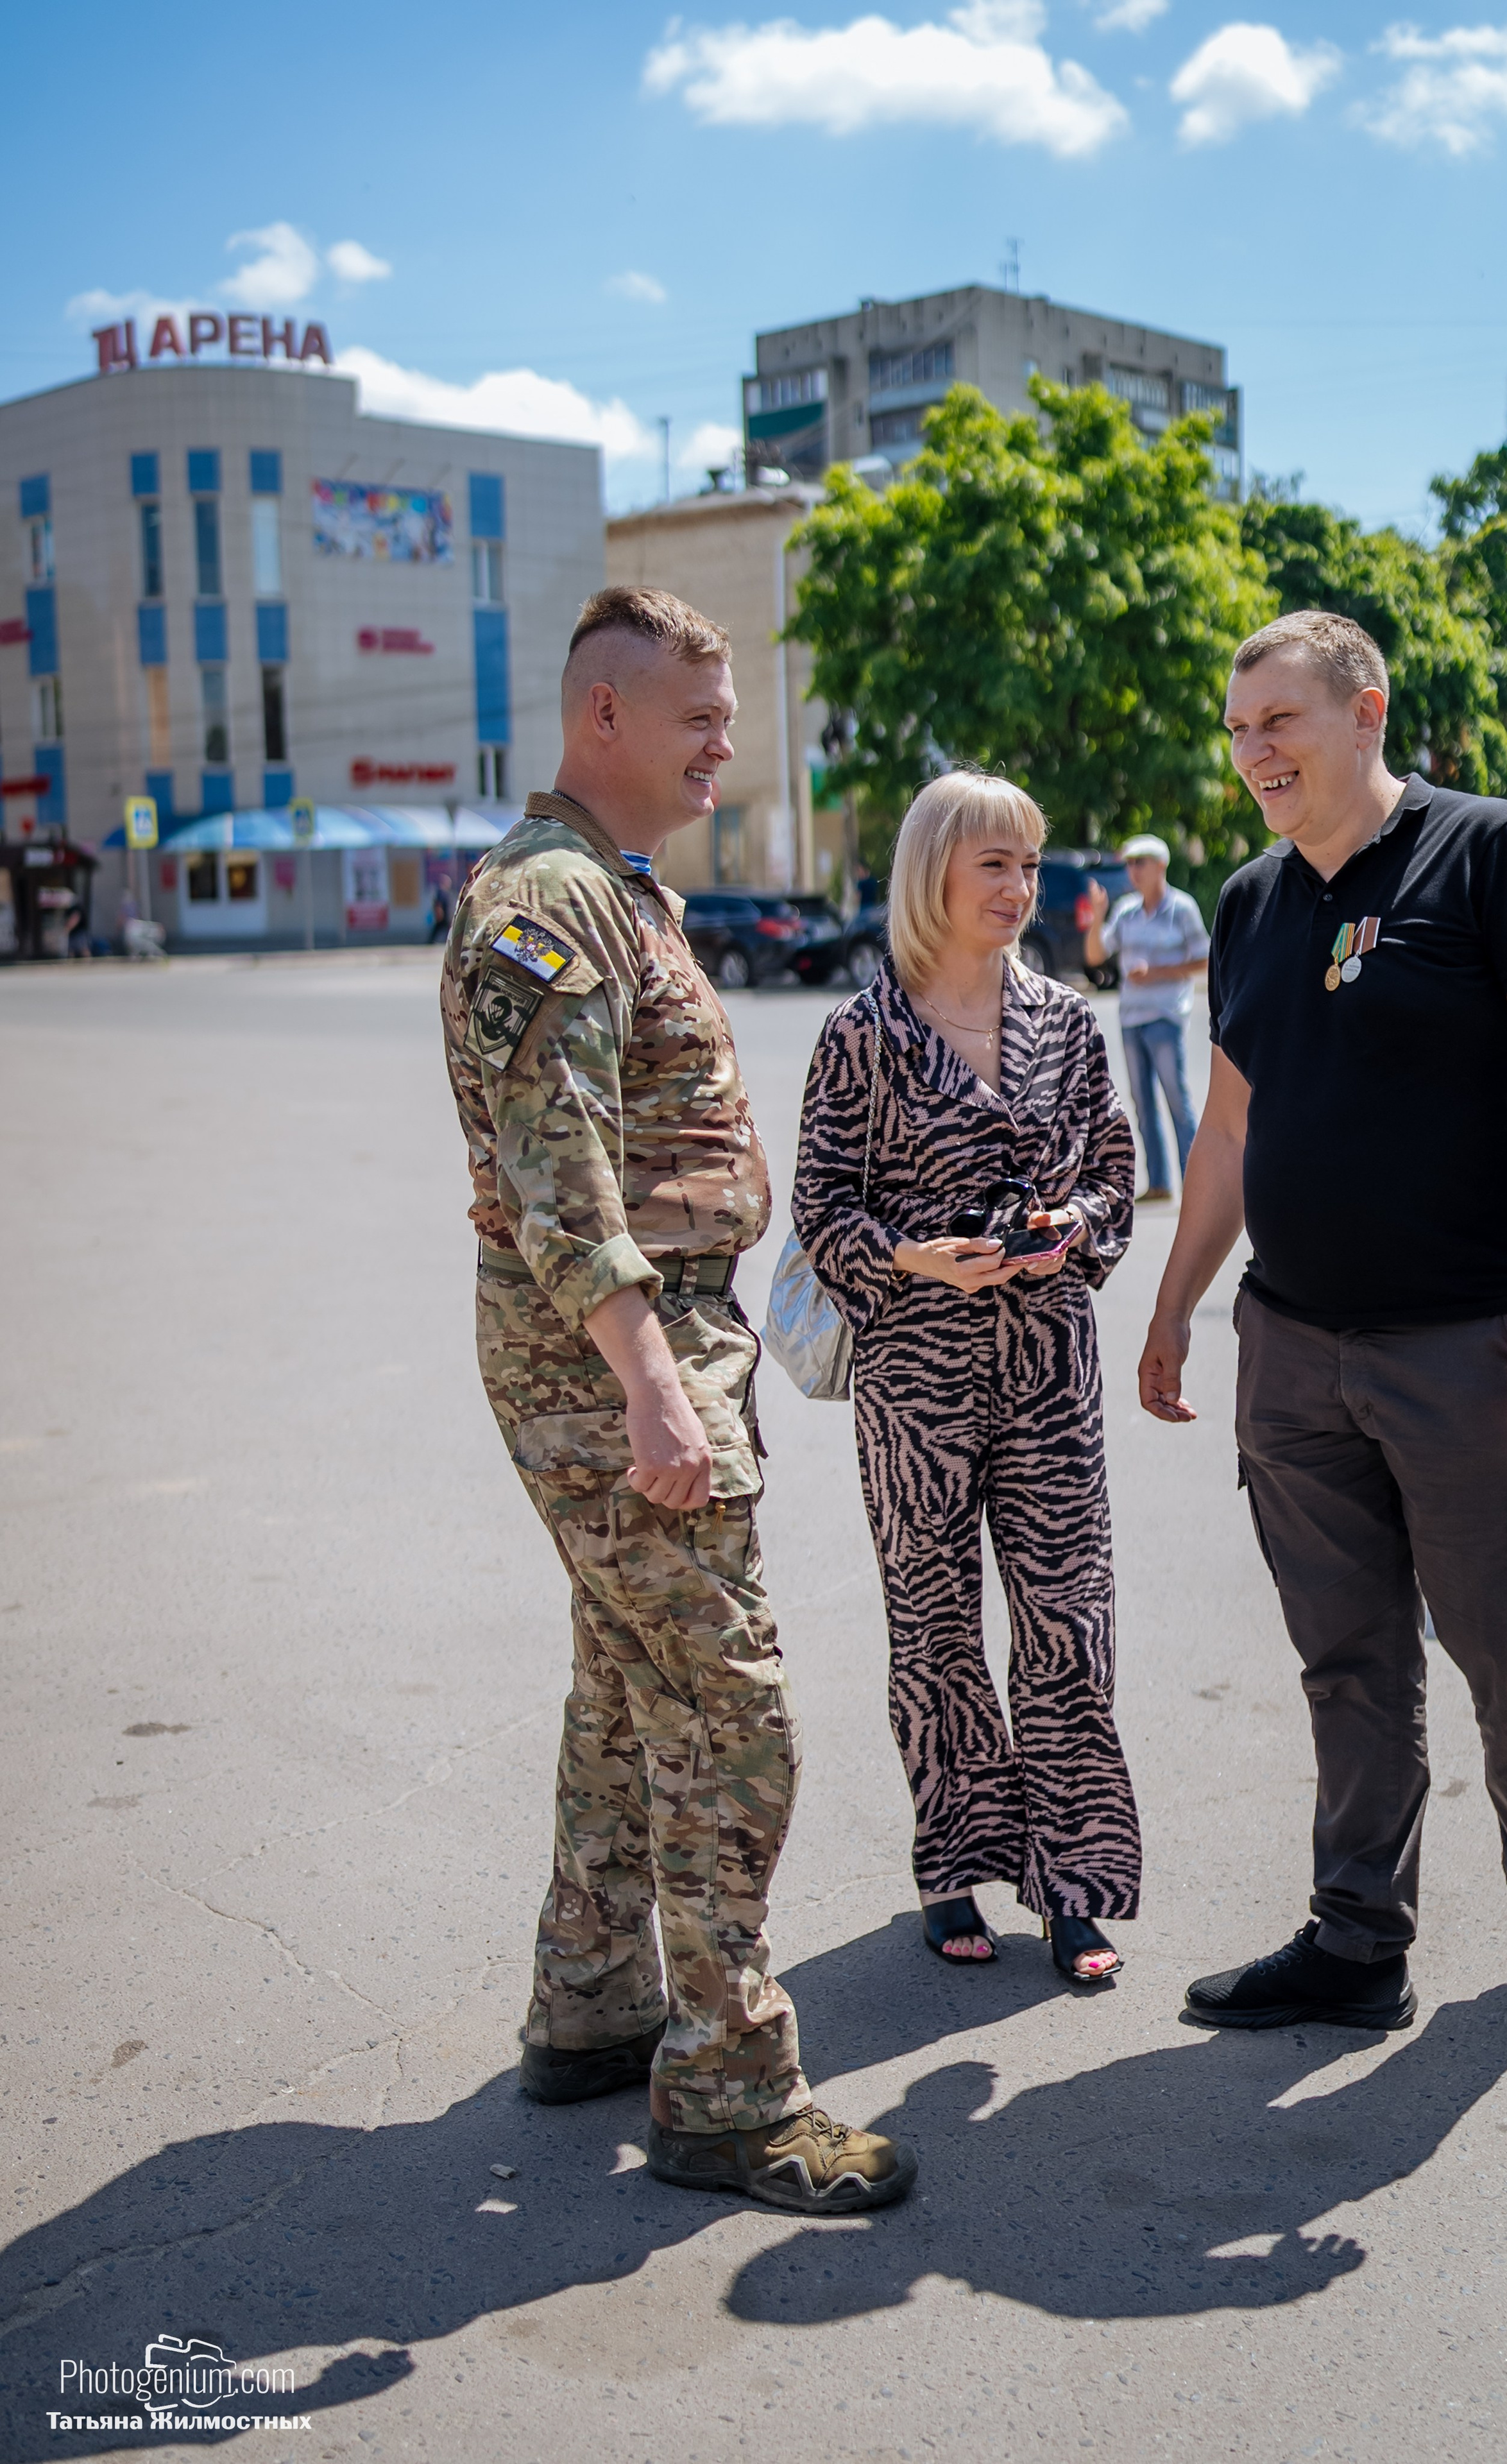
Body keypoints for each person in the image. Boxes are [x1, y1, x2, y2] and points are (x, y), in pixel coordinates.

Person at [440, 584, 915, 2212]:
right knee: (730, 1716)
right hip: (609, 1361)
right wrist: (656, 1388)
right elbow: (556, 1170)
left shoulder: (615, 889)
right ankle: (725, 2092)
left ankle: (592, 2005)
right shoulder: (548, 896)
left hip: (648, 1345)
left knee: (625, 1683)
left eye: (727, 713)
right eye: (696, 717)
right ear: (602, 717)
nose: (724, 740)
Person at [1139, 608, 1507, 2051]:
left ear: (1364, 713)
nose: (1250, 754)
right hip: (1291, 1352)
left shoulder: (1488, 854)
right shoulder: (1248, 902)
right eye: (1235, 732)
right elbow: (1228, 1127)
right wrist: (1175, 1304)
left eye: (1275, 723)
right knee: (1345, 1661)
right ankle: (1357, 1939)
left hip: (1468, 1348)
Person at [792, 773, 1141, 1985]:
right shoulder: (863, 1034)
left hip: (1049, 1368)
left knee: (1067, 1621)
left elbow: (1114, 1171)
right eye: (992, 861)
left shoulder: (1066, 1020)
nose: (1019, 886)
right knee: (933, 1627)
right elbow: (820, 1210)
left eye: (1029, 864)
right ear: (931, 870)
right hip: (916, 1379)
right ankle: (952, 1859)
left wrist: (1071, 1227)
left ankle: (1074, 1878)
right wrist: (908, 1257)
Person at [1084, 834, 1209, 1204]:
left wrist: (1156, 972)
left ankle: (1195, 1184)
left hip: (1166, 1016)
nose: (1133, 871)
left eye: (1140, 862)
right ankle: (1159, 1183)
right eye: (1130, 863)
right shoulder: (1125, 910)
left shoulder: (1182, 908)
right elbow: (1094, 956)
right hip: (1131, 1019)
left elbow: (1205, 959)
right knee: (1142, 1104)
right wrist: (1096, 919)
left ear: (1161, 866)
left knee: (1177, 1099)